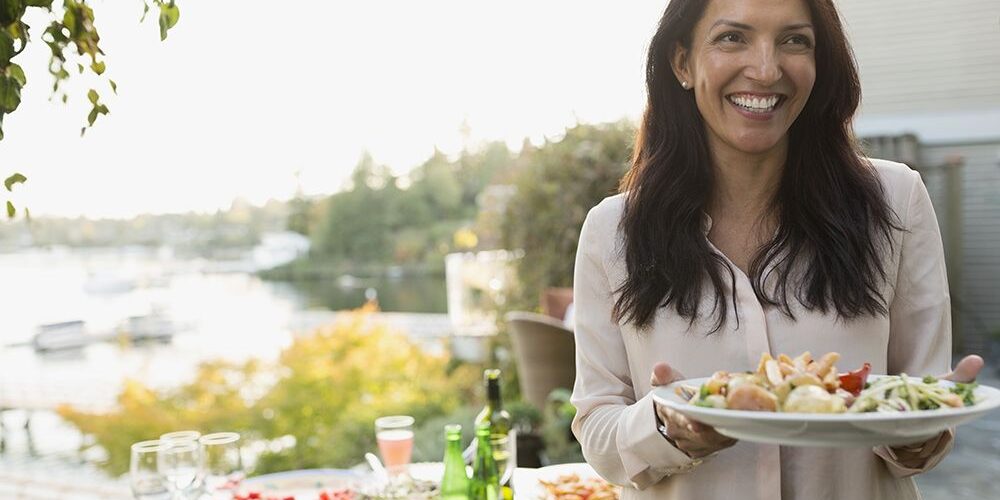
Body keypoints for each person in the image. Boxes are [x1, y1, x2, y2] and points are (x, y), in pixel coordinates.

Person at [569, 1, 984, 499]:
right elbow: (598, 428)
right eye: (732, 38)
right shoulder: (613, 231)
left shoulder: (894, 203)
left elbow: (924, 407)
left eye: (794, 41)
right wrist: (663, 427)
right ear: (682, 63)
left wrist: (924, 432)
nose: (766, 70)